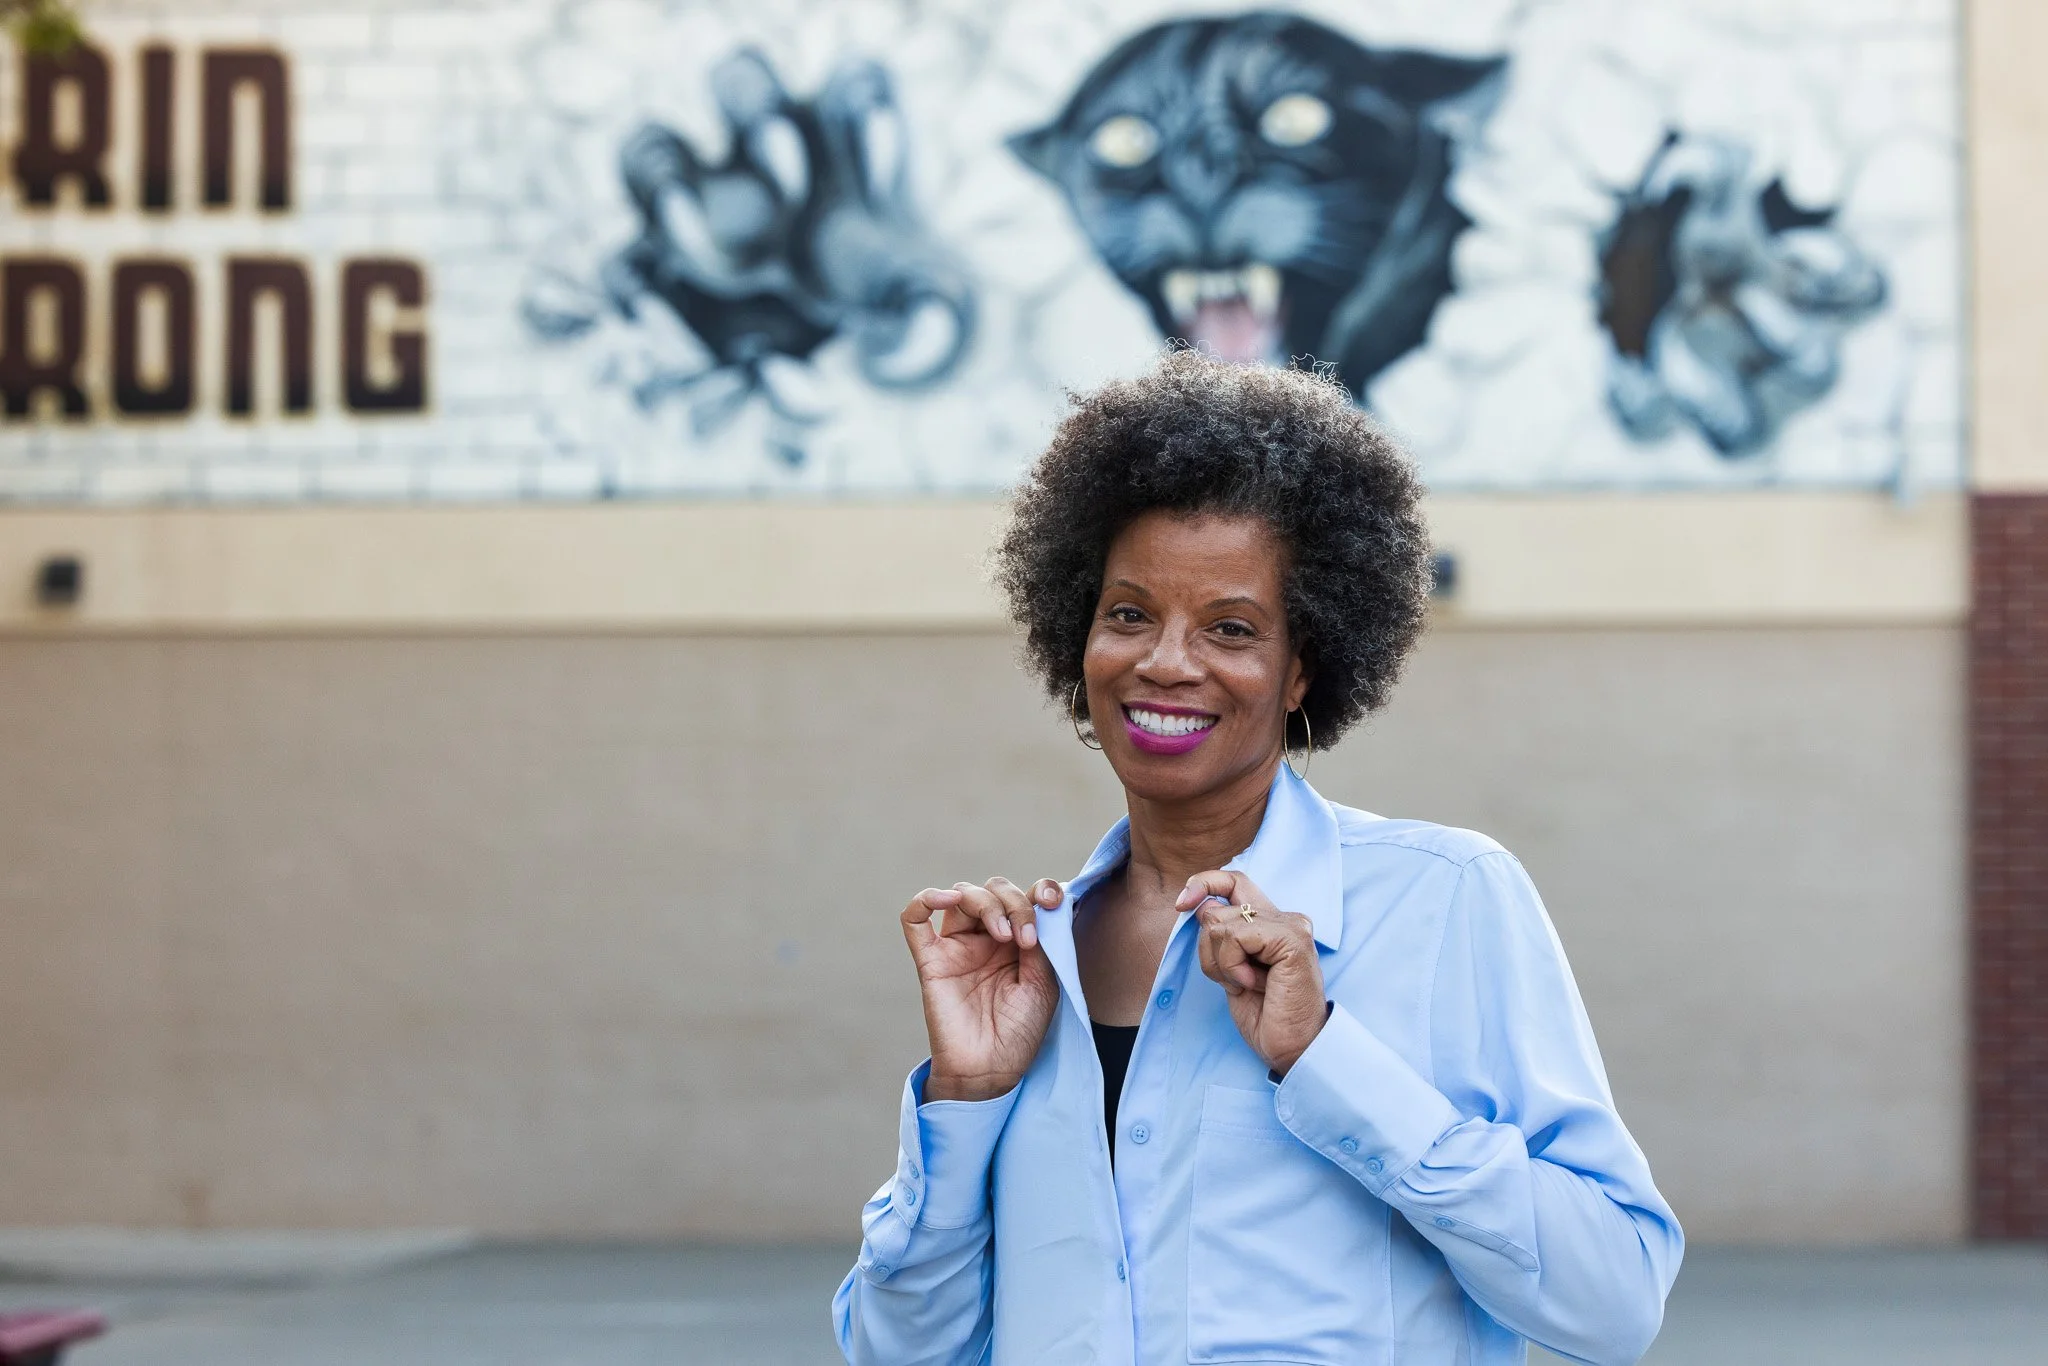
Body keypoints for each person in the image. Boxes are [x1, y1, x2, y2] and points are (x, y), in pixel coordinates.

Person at [831, 349, 1682, 1365]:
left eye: (1229, 627)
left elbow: (1613, 1303)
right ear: (1078, 634)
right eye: (1129, 613)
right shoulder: (1026, 966)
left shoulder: (1447, 901)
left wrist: (1321, 1054)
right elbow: (899, 1351)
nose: (1165, 661)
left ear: (1299, 670)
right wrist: (963, 1105)